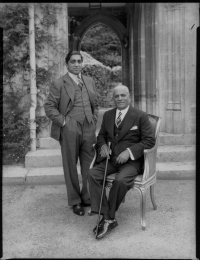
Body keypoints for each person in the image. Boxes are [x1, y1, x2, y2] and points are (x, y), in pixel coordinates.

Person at [88, 85, 155, 239]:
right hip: (111, 159)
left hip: (132, 162)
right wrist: (103, 145)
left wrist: (129, 152)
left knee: (120, 181)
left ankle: (108, 217)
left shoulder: (140, 116)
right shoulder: (108, 115)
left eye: (123, 95)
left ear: (129, 96)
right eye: (117, 96)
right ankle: (107, 215)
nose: (120, 99)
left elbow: (149, 141)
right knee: (92, 174)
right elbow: (101, 135)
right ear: (113, 99)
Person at [44, 50, 98, 216]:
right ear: (67, 64)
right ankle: (75, 201)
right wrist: (65, 122)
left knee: (90, 165)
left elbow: (95, 103)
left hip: (89, 126)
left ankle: (88, 197)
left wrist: (94, 118)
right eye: (73, 61)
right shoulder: (59, 83)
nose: (76, 64)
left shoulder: (89, 81)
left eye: (79, 61)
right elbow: (49, 106)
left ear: (82, 63)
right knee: (70, 166)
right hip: (70, 127)